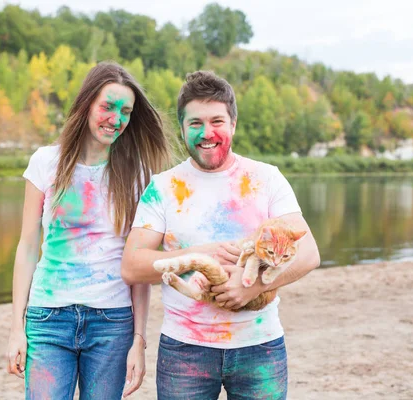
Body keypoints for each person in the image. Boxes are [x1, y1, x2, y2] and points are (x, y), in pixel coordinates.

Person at [121, 71, 320, 399]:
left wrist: (254, 285)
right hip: (184, 350)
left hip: (260, 348)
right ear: (182, 128)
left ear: (233, 124)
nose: (207, 133)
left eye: (217, 121)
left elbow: (309, 253)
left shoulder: (266, 178)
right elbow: (132, 265)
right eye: (195, 123)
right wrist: (201, 255)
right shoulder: (162, 187)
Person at [6, 61, 172, 399]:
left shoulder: (138, 174)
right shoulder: (45, 162)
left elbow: (137, 263)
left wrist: (139, 340)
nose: (116, 118)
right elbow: (26, 247)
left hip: (112, 322)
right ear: (86, 105)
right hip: (48, 317)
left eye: (125, 111)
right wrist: (16, 328)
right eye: (107, 107)